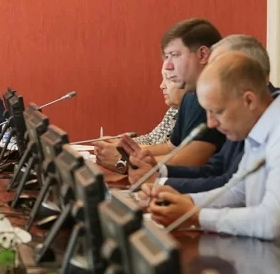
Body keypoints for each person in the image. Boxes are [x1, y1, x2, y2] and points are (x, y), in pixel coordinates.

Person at [147, 52, 280, 268]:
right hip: (270, 261)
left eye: (217, 112)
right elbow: (238, 192)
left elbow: (271, 222)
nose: (211, 123)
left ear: (249, 100)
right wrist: (181, 201)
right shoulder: (259, 128)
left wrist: (195, 215)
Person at [148, 35, 280, 193]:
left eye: (218, 69)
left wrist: (160, 183)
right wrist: (157, 173)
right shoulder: (242, 112)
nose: (212, 122)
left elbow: (230, 186)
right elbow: (217, 170)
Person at [96, 18, 226, 170]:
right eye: (166, 57)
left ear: (203, 55)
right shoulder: (190, 96)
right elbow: (170, 148)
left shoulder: (213, 96)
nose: (168, 66)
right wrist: (124, 150)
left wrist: (124, 162)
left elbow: (191, 160)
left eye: (175, 55)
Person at [131, 66, 186, 146]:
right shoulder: (174, 110)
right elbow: (151, 139)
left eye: (169, 79)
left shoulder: (196, 113)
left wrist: (125, 149)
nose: (162, 86)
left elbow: (171, 151)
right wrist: (119, 143)